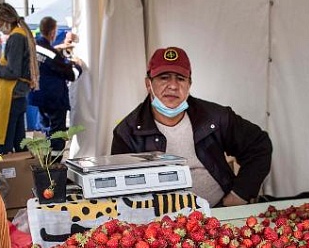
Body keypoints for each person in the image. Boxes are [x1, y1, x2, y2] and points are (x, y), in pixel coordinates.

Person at [111, 47, 272, 207]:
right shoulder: (127, 132)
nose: (173, 86)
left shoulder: (216, 116)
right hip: (160, 223)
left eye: (181, 78)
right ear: (148, 84)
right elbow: (123, 193)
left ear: (189, 84)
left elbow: (259, 145)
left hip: (218, 214)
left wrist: (239, 195)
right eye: (164, 77)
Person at [0, 2, 39, 154]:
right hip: (19, 96)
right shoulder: (22, 34)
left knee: (5, 146)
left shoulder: (16, 38)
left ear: (6, 18)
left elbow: (12, 72)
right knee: (20, 144)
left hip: (12, 97)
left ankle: (9, 176)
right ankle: (20, 176)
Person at [28, 16, 82, 152]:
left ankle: (45, 164)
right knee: (57, 137)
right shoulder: (52, 54)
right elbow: (70, 75)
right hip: (55, 99)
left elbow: (48, 60)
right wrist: (78, 66)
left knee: (46, 131)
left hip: (39, 97)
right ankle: (54, 166)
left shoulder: (34, 47)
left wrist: (60, 50)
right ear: (53, 32)